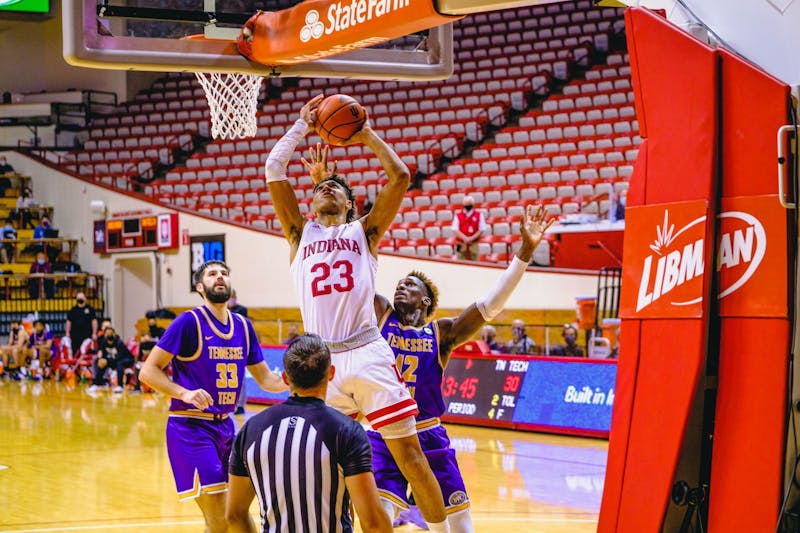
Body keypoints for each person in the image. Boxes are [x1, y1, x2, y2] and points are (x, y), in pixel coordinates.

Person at [267, 94, 450, 531]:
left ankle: (439, 528)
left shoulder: (363, 232)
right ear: (310, 205)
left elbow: (401, 176)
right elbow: (274, 170)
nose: (324, 189)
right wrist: (300, 126)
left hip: (368, 351)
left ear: (350, 203)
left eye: (334, 187)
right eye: (319, 188)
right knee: (328, 465)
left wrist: (365, 133)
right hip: (320, 361)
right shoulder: (299, 234)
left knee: (409, 455)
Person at [370, 205, 552, 532]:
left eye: (410, 285)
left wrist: (524, 251)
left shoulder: (441, 333)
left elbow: (489, 306)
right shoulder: (382, 315)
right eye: (399, 283)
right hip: (384, 431)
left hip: (427, 433)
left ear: (426, 301)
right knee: (379, 517)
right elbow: (355, 281)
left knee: (460, 525)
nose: (401, 287)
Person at [139, 260, 286, 533]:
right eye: (212, 274)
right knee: (222, 516)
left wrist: (294, 379)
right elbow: (148, 372)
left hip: (227, 428)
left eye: (224, 273)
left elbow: (266, 379)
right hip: (190, 428)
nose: (220, 277)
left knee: (231, 515)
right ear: (200, 287)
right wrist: (184, 392)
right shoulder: (188, 322)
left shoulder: (243, 326)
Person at [226, 334, 392, 533]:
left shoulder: (250, 430)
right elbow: (374, 522)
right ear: (331, 373)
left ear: (286, 378)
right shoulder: (347, 431)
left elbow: (234, 515)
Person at [88, 326, 136, 393]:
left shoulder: (119, 342)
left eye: (111, 333)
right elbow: (101, 352)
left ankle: (120, 386)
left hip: (127, 359)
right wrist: (101, 359)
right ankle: (97, 383)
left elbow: (120, 357)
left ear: (114, 334)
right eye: (107, 333)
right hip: (114, 359)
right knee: (100, 362)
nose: (109, 335)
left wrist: (107, 361)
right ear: (105, 334)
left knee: (119, 363)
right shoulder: (104, 342)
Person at [451, 196, 488, 261]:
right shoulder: (458, 215)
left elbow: (481, 229)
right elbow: (455, 229)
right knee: (460, 263)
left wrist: (471, 238)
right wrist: (465, 238)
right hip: (461, 244)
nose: (467, 206)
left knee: (474, 263)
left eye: (469, 204)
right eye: (466, 204)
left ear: (472, 204)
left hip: (473, 244)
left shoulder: (479, 215)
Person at [65, 291, 98, 358]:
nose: (80, 299)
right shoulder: (73, 310)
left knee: (85, 350)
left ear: (85, 299)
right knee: (75, 352)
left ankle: (84, 366)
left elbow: (94, 321)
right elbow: (68, 322)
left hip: (87, 334)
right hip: (75, 335)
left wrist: (94, 333)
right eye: (79, 298)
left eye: (81, 298)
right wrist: (67, 332)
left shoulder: (90, 309)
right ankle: (75, 366)